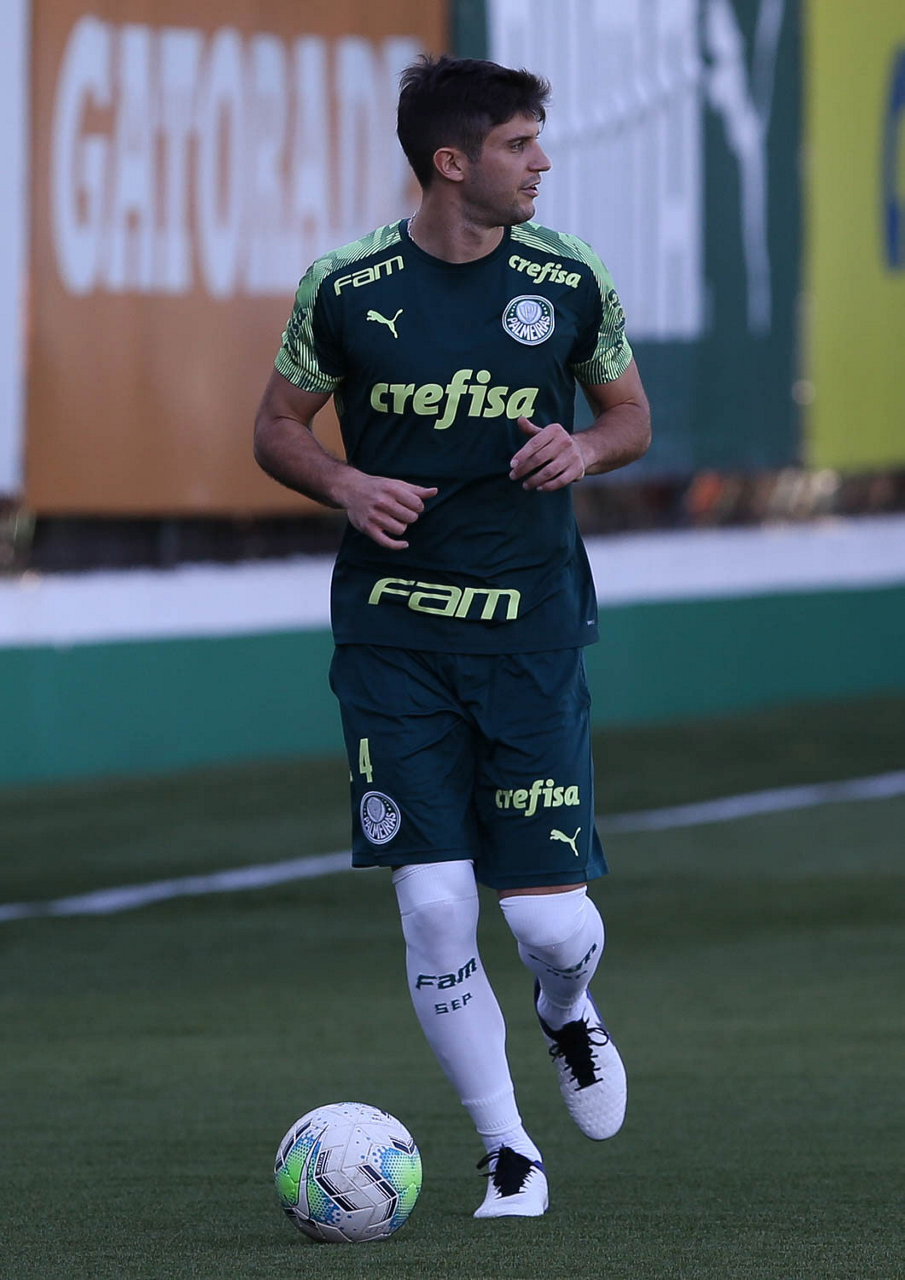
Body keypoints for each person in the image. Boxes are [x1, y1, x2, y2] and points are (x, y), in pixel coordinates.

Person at [254, 53, 651, 1219]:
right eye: (519, 144)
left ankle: (565, 1009)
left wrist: (582, 447)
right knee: (434, 906)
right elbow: (275, 426)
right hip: (392, 637)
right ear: (450, 162)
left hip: (528, 631)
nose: (541, 162)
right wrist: (344, 482)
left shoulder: (567, 278)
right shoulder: (343, 286)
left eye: (535, 140)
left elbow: (629, 414)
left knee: (548, 923)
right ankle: (506, 1149)